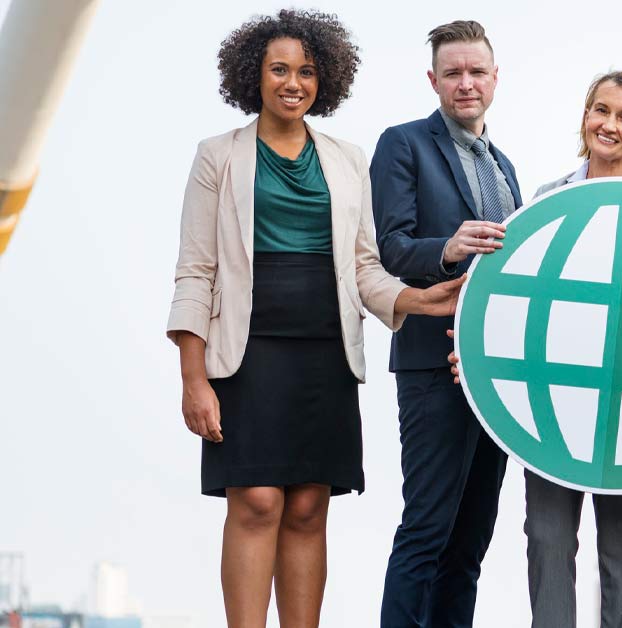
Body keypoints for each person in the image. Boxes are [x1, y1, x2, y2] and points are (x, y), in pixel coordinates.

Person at [165, 10, 464, 628]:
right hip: (246, 354)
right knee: (255, 502)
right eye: (279, 70)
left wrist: (420, 298)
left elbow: (365, 269)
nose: (293, 83)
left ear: (324, 78)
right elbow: (195, 271)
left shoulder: (348, 159)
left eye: (305, 71)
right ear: (255, 76)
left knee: (307, 508)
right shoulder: (216, 156)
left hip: (326, 351)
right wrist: (194, 378)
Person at [369, 20, 521, 628]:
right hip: (434, 364)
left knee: (470, 545)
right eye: (452, 73)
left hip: (496, 372)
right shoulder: (402, 143)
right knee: (426, 530)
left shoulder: (506, 165)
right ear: (433, 80)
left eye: (476, 72)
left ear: (494, 79)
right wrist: (448, 247)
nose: (465, 84)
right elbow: (391, 248)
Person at [524, 70, 622, 628]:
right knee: (547, 539)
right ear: (585, 115)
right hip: (555, 405)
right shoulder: (547, 201)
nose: (609, 125)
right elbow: (521, 303)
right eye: (600, 110)